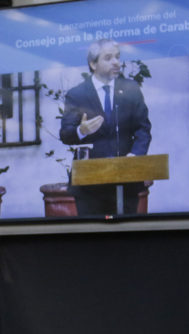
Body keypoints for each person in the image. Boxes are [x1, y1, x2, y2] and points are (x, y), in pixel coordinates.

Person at [60, 39, 152, 215]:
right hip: (89, 186)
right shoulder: (77, 94)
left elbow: (143, 129)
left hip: (127, 179)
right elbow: (65, 134)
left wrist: (136, 155)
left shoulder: (131, 89)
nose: (116, 62)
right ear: (93, 64)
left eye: (117, 57)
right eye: (108, 58)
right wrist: (81, 131)